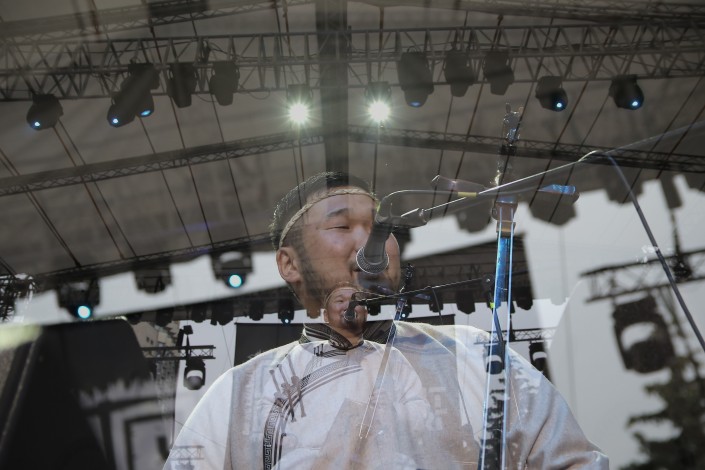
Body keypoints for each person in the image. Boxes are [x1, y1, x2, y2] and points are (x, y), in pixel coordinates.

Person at [164, 172, 608, 469]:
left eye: (379, 227)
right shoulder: (240, 393)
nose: (370, 242)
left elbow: (576, 462)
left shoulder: (474, 354)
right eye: (342, 227)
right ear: (289, 263)